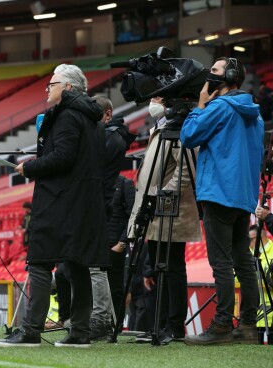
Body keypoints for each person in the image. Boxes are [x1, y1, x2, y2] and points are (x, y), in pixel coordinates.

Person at [0, 63, 108, 348]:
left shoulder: (68, 115)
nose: (48, 89)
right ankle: (80, 332)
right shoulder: (90, 117)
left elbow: (63, 157)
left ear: (67, 88)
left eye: (52, 84)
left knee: (40, 263)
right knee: (78, 265)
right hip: (82, 201)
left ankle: (31, 330)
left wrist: (30, 167)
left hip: (60, 201)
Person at [181, 57, 264, 345]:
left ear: (229, 76)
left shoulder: (218, 106)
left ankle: (220, 326)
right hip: (243, 196)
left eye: (215, 70)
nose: (210, 75)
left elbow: (189, 136)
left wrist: (200, 104)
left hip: (218, 192)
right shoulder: (255, 112)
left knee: (221, 262)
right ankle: (248, 326)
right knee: (242, 261)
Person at [128, 96, 202, 344]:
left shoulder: (181, 128)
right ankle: (159, 325)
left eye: (157, 99)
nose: (152, 102)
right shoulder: (159, 129)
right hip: (155, 210)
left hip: (172, 210)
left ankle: (174, 325)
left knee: (172, 267)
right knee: (160, 268)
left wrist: (163, 196)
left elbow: (184, 171)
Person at [88, 95, 136, 340]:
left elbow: (130, 215)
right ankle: (101, 321)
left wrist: (122, 241)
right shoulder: (107, 139)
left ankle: (108, 323)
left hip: (113, 240)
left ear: (107, 114)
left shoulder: (110, 140)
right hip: (101, 227)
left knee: (113, 284)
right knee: (93, 274)